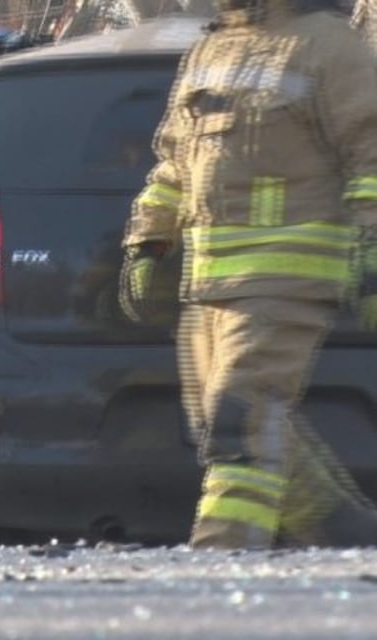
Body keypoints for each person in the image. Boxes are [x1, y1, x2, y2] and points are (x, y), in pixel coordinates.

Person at [120, 0, 377, 548]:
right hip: (207, 286)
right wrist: (148, 240)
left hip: (285, 281)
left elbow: (371, 153)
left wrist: (372, 248)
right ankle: (346, 533)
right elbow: (174, 163)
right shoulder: (211, 48)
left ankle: (222, 558)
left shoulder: (330, 47)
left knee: (241, 422)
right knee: (227, 425)